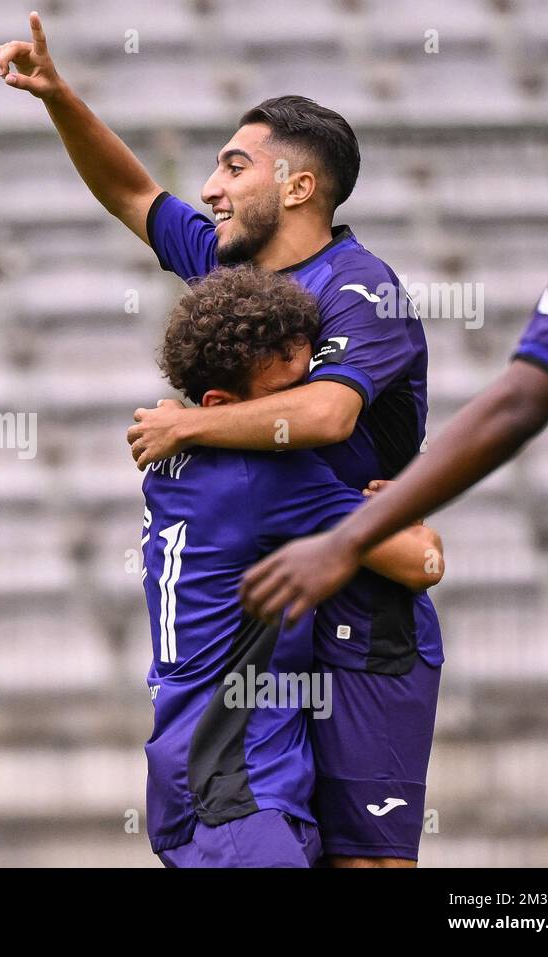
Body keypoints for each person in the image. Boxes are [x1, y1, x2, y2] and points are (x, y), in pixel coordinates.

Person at [0, 11, 441, 865]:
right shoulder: (233, 276)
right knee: (271, 833)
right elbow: (133, 194)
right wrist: (58, 98)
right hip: (274, 597)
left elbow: (328, 415)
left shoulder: (359, 287)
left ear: (301, 186)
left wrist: (190, 421)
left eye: (234, 166)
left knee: (366, 858)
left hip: (358, 604)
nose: (210, 187)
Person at [242, 195, 548, 868]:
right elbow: (424, 556)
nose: (216, 189)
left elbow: (512, 407)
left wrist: (350, 537)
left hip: (321, 683)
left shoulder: (201, 462)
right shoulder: (248, 473)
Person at [142, 266, 443, 866]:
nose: (301, 416)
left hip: (207, 770)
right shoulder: (268, 476)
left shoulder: (173, 466)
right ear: (220, 406)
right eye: (286, 400)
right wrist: (404, 515)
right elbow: (422, 562)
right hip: (236, 783)